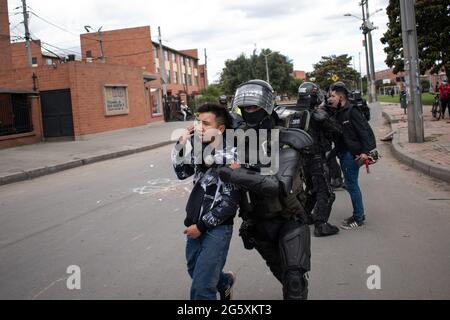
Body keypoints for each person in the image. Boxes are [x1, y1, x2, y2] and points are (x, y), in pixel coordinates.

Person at [218, 79, 313, 300]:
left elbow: (277, 185)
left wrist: (233, 173)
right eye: (246, 108)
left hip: (288, 218)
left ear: (267, 106)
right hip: (258, 223)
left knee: (295, 282)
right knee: (283, 275)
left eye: (255, 107)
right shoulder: (238, 141)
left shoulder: (288, 139)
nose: (250, 112)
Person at [172, 103, 240, 300]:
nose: (199, 127)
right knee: (195, 270)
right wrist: (181, 145)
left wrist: (201, 226)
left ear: (220, 129)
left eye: (205, 123)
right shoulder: (200, 148)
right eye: (198, 122)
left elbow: (229, 204)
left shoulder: (234, 154)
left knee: (202, 289)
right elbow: (182, 173)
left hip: (217, 228)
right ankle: (224, 282)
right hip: (194, 223)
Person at [295, 82, 341, 237]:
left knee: (312, 190)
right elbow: (336, 130)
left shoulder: (295, 113)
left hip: (302, 160)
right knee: (326, 192)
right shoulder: (318, 115)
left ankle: (304, 217)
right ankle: (321, 225)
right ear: (314, 96)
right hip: (316, 159)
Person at [328, 84, 376, 230]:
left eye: (333, 96)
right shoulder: (339, 111)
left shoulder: (351, 111)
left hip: (351, 154)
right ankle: (359, 214)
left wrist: (365, 152)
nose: (330, 98)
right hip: (343, 152)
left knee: (351, 184)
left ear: (341, 97)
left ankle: (358, 217)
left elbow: (365, 131)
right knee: (351, 184)